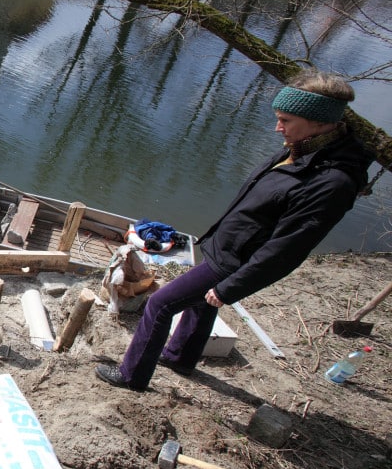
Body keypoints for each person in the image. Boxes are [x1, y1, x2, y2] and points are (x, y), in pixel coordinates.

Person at [95, 70, 374, 392]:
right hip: (227, 246)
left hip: (236, 260)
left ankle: (131, 377)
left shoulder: (331, 181)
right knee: (201, 303)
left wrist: (231, 287)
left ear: (318, 121)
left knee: (160, 305)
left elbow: (289, 247)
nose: (277, 127)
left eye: (285, 120)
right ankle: (179, 357)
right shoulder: (301, 150)